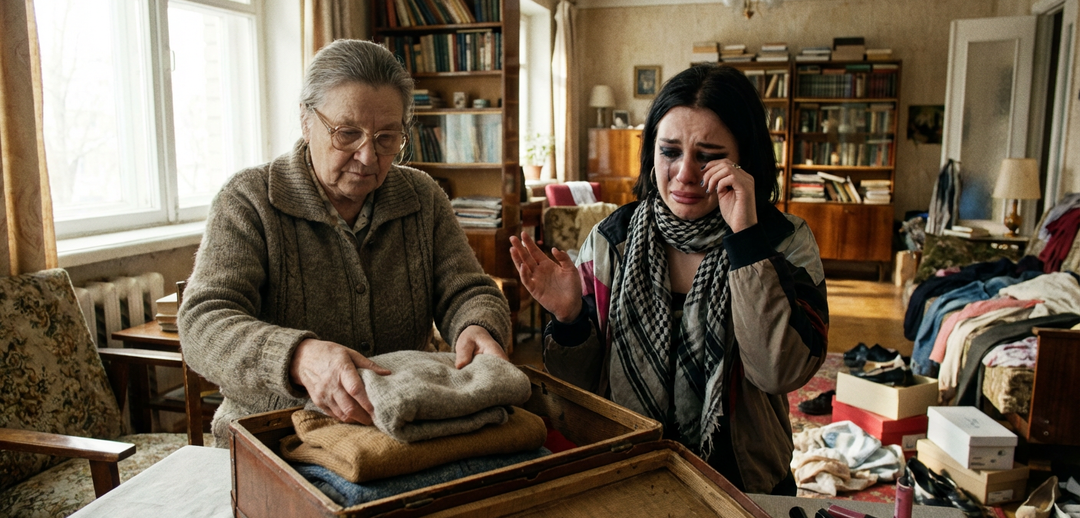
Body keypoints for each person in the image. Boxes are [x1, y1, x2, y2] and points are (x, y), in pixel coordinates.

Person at [510, 64, 829, 494]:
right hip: (626, 471)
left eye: (708, 155)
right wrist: (569, 320)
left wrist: (747, 243)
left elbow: (778, 371)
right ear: (651, 152)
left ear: (744, 158)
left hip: (744, 481)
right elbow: (581, 390)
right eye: (670, 151)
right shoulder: (612, 241)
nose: (684, 174)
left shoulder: (784, 242)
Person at [179, 39, 511, 447]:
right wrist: (297, 358)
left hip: (398, 432)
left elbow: (466, 290)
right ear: (305, 120)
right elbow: (202, 322)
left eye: (387, 138)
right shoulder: (249, 199)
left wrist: (476, 324)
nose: (368, 157)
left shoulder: (422, 197)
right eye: (347, 133)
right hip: (275, 437)